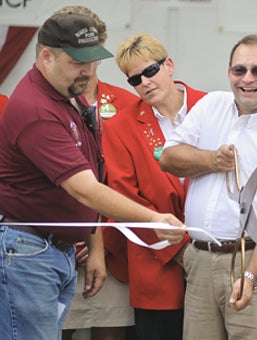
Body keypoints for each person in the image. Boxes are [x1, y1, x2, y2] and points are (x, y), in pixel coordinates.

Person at [0, 12, 184, 340]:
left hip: (51, 249)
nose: (88, 71)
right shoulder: (36, 110)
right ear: (46, 56)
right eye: (77, 62)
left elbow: (92, 175)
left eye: (93, 60)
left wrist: (95, 242)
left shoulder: (65, 92)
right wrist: (153, 218)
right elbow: (84, 189)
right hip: (29, 252)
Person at [159, 34, 257, 339]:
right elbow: (168, 158)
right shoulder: (212, 105)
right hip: (201, 258)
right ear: (229, 71)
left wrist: (250, 276)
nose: (247, 79)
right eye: (239, 70)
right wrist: (212, 161)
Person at [101, 32, 207, 340]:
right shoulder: (121, 126)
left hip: (214, 256)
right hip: (157, 262)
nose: (145, 82)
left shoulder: (212, 106)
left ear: (169, 65)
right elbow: (123, 198)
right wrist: (181, 251)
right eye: (134, 79)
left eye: (150, 71)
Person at [52, 6, 139, 340]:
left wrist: (103, 238)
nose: (84, 64)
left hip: (115, 246)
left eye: (91, 54)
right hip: (60, 244)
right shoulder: (40, 104)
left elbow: (133, 182)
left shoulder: (127, 103)